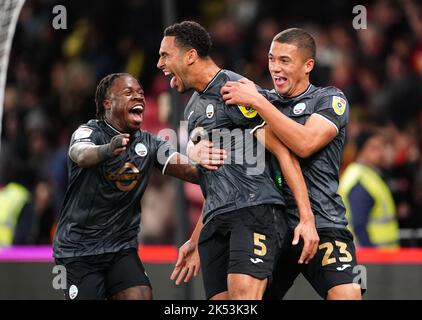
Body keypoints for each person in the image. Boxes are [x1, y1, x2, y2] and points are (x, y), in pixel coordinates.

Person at [157, 21, 318, 300]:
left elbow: (282, 151)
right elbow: (217, 179)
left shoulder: (236, 91)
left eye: (165, 55)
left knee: (244, 300)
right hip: (215, 221)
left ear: (191, 56)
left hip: (253, 210)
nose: (159, 63)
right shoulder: (193, 107)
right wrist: (195, 240)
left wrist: (307, 216)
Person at [216, 28, 363, 299]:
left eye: (284, 60)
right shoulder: (260, 102)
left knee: (348, 295)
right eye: (272, 59)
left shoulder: (329, 99)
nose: (275, 68)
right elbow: (217, 131)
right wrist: (196, 147)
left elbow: (305, 143)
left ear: (308, 65)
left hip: (323, 222)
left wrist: (260, 102)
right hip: (272, 225)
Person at [53, 73, 199, 300]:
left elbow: (188, 170)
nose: (138, 98)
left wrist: (221, 168)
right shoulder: (89, 132)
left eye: (141, 94)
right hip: (77, 251)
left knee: (140, 295)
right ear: (107, 103)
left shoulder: (150, 143)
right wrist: (108, 150)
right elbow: (80, 154)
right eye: (128, 93)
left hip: (120, 248)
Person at [338, 129, 399, 248]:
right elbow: (359, 225)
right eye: (374, 148)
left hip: (380, 257)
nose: (380, 153)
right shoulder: (360, 179)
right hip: (372, 257)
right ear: (361, 150)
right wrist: (370, 255)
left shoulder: (368, 175)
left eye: (382, 147)